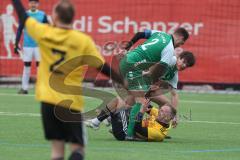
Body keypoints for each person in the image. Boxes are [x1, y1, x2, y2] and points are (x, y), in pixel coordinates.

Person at [11, 0, 124, 160]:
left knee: (57, 151)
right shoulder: (82, 40)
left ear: (55, 16)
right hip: (70, 103)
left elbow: (23, 16)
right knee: (78, 149)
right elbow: (102, 67)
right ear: (73, 18)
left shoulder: (44, 32)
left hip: (47, 101)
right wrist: (123, 81)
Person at [85, 50, 195, 132]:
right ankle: (102, 121)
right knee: (125, 103)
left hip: (145, 86)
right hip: (137, 78)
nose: (184, 65)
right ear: (178, 57)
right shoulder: (170, 60)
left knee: (165, 104)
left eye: (187, 65)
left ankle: (157, 127)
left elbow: (174, 95)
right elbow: (150, 66)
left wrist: (174, 114)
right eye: (183, 61)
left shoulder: (174, 74)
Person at [14, 0, 48, 94]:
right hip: (27, 46)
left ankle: (41, 89)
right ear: (29, 4)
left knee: (40, 68)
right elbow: (19, 29)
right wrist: (16, 43)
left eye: (35, 2)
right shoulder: (24, 15)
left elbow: (48, 30)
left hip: (39, 46)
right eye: (31, 2)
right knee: (26, 67)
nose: (33, 4)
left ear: (38, 4)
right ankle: (24, 89)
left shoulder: (43, 15)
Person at [110, 100, 176, 142]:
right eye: (160, 109)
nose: (158, 111)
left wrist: (141, 112)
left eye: (162, 111)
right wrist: (145, 98)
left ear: (169, 117)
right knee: (126, 102)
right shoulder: (160, 116)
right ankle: (106, 120)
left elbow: (137, 127)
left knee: (119, 103)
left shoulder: (159, 133)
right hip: (128, 125)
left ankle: (103, 120)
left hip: (124, 133)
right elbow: (147, 105)